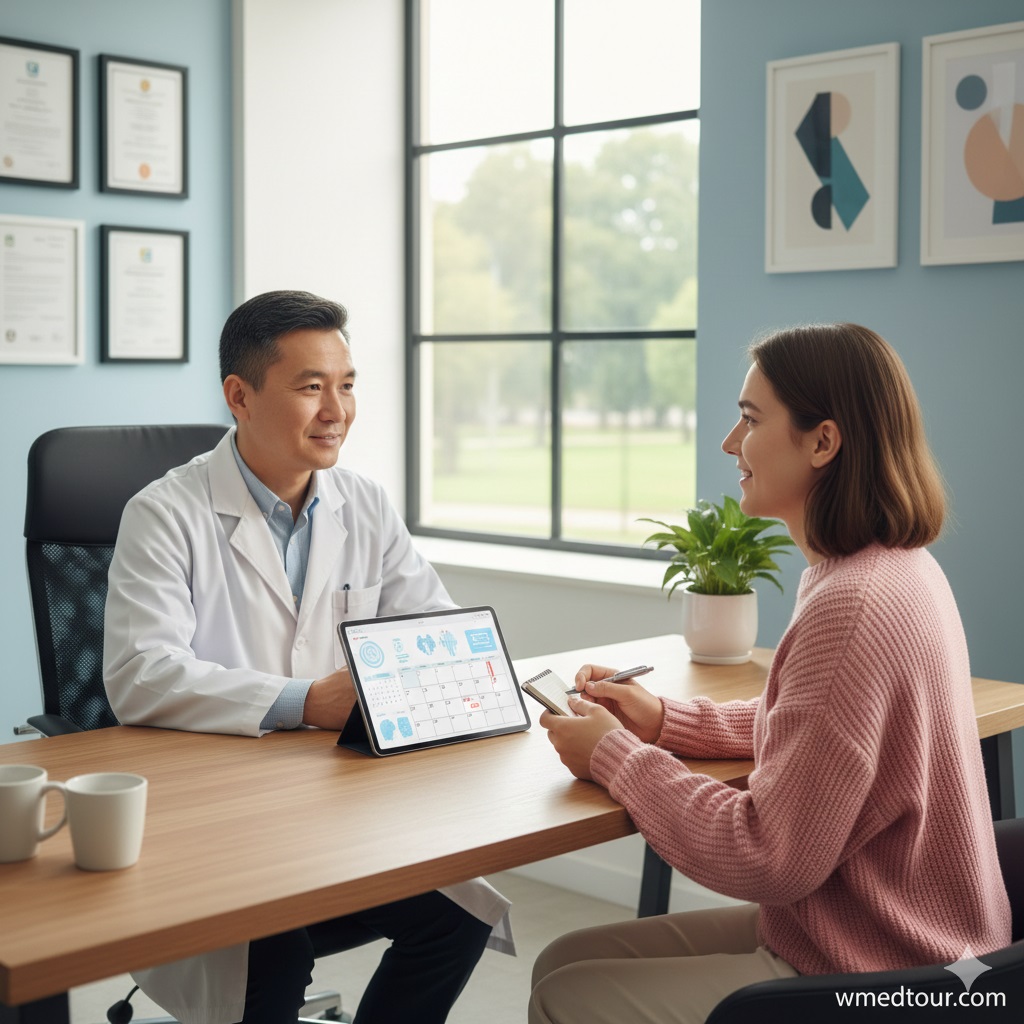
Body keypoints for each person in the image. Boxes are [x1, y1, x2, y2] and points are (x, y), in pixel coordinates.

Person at [531, 323, 1012, 1024]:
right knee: (562, 959)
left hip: (885, 972)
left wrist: (614, 756)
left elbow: (769, 857)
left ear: (823, 441)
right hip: (906, 941)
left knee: (564, 993)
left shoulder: (851, 604)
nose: (731, 443)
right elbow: (820, 735)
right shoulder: (891, 569)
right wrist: (664, 721)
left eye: (751, 420)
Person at [104, 290, 511, 1024]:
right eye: (311, 386)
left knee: (459, 917)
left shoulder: (364, 502)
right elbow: (141, 675)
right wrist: (303, 701)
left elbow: (436, 624)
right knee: (272, 948)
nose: (337, 410)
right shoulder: (164, 513)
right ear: (240, 396)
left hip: (333, 811)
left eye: (347, 384)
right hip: (215, 821)